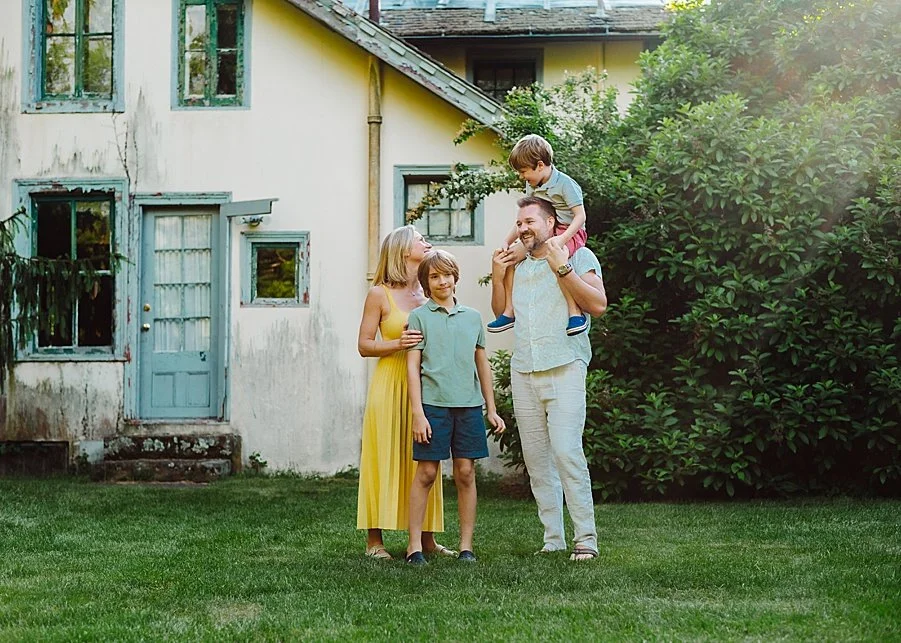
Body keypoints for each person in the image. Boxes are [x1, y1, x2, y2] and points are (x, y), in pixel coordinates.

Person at [490, 196, 607, 562]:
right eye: (519, 223)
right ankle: (553, 539)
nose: (523, 228)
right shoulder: (520, 267)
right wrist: (497, 274)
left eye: (530, 222)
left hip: (566, 366)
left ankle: (585, 539)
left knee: (567, 452)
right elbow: (500, 312)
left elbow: (598, 305)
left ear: (552, 223)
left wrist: (563, 270)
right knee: (538, 459)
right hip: (525, 371)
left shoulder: (579, 257)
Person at [356, 226, 457, 561]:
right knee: (383, 454)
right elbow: (364, 345)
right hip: (389, 383)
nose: (427, 242)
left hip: (425, 388)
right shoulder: (379, 295)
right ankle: (375, 540)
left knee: (425, 459)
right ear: (402, 250)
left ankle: (427, 539)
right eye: (420, 240)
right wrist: (396, 344)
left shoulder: (429, 295)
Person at [404, 250, 506, 565]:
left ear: (455, 277)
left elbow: (482, 365)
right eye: (434, 276)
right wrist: (418, 413)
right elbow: (412, 368)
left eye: (446, 275)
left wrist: (491, 408)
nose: (441, 281)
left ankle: (466, 547)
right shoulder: (418, 317)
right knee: (427, 472)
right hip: (433, 407)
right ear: (425, 282)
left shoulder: (473, 318)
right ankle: (414, 547)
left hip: (469, 407)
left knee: (465, 472)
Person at [487, 134, 589, 336]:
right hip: (545, 231)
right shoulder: (533, 185)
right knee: (509, 258)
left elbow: (580, 216)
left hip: (570, 231)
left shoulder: (565, 184)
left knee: (556, 258)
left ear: (540, 165)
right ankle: (509, 311)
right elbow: (526, 217)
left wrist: (562, 239)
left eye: (524, 171)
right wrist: (508, 241)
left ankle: (574, 312)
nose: (522, 176)